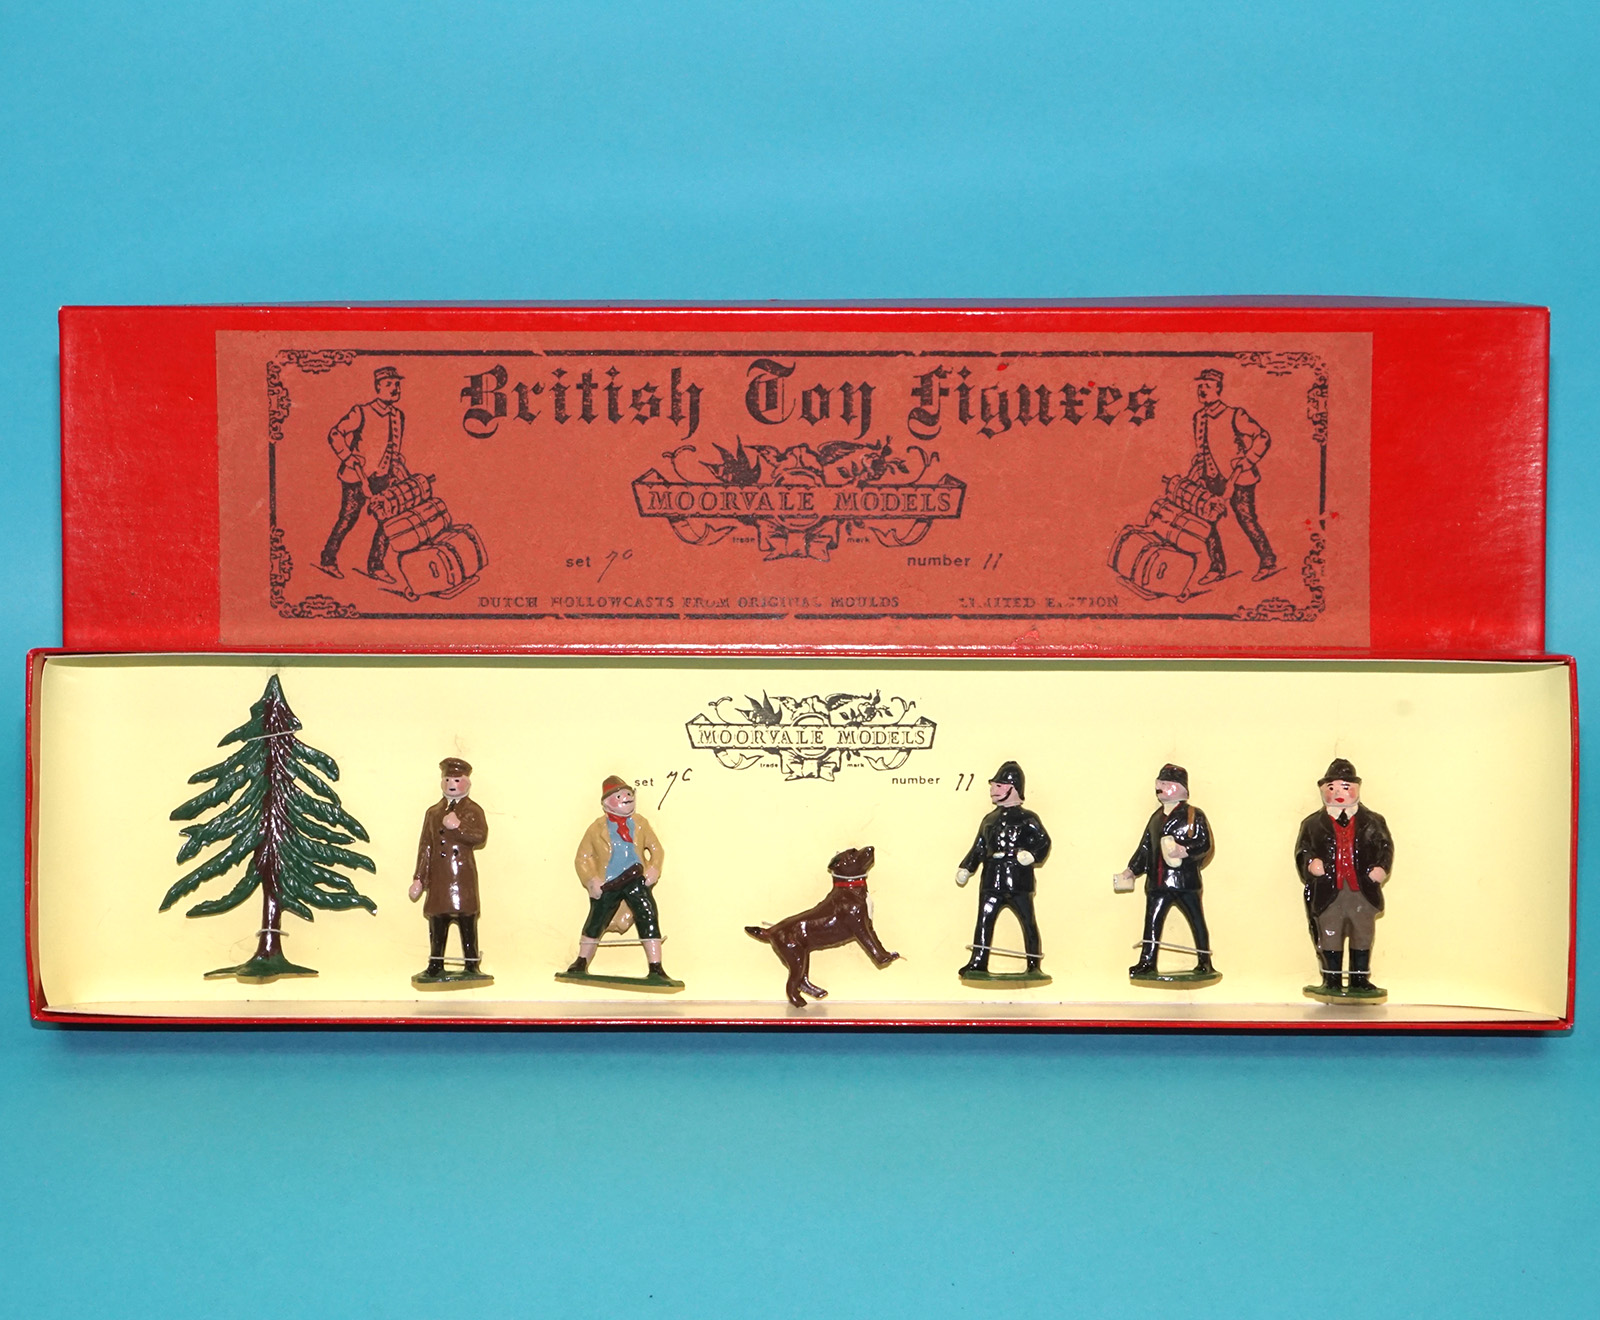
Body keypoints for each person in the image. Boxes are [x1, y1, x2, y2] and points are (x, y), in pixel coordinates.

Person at [1294, 758, 1394, 1002]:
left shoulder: (1374, 821)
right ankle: (1332, 979)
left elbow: (1385, 846)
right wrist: (1310, 863)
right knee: (1330, 932)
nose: (1339, 793)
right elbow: (1302, 850)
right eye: (1332, 788)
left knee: (1362, 932)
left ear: (1357, 789)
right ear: (1323, 790)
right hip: (1329, 892)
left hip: (1362, 891)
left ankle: (1360, 979)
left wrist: (1381, 867)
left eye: (1345, 787)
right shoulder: (1312, 824)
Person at [1113, 763, 1217, 982]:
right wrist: (1131, 870)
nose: (1159, 787)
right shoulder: (1155, 818)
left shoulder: (1194, 815)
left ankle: (1205, 962)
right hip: (1158, 883)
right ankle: (1147, 962)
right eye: (1159, 782)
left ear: (1180, 787)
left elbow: (1205, 843)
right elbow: (1145, 848)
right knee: (1152, 922)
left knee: (1197, 921)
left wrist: (1184, 850)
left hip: (1185, 883)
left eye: (1165, 783)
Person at [566, 775, 673, 984]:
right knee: (596, 919)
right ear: (606, 803)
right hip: (609, 882)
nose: (626, 797)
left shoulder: (640, 824)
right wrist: (591, 880)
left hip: (636, 879)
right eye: (619, 795)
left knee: (648, 915)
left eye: (628, 793)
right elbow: (582, 857)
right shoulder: (596, 828)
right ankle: (581, 961)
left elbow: (656, 849)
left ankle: (656, 967)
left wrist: (654, 868)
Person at [954, 761, 1051, 980]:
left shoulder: (1028, 818)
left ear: (1013, 787)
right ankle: (978, 961)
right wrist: (967, 867)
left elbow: (1044, 841)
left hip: (1019, 881)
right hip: (992, 880)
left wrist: (1032, 855)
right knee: (984, 920)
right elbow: (979, 847)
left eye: (998, 785)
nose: (993, 790)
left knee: (1028, 922)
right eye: (993, 785)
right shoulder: (989, 819)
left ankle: (1034, 964)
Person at [318, 365, 411, 583]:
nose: (395, 388)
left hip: (384, 477)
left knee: (387, 520)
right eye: (389, 384)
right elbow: (335, 433)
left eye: (397, 384)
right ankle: (328, 559)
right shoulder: (361, 412)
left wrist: (396, 464)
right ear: (378, 387)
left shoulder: (398, 415)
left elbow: (393, 446)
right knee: (349, 517)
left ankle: (376, 566)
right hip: (356, 477)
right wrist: (347, 456)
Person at [1187, 368, 1278, 586]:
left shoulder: (1235, 414)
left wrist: (1247, 461)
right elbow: (1203, 448)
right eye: (1200, 386)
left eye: (1208, 386)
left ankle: (1268, 561)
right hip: (1210, 479)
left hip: (1239, 478)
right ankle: (1217, 568)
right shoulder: (1198, 417)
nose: (1202, 390)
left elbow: (1263, 437)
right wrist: (1197, 470)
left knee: (1246, 518)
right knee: (1207, 521)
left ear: (1218, 389)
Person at [408, 756, 490, 985]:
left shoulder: (473, 810)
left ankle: (471, 965)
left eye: (456, 779)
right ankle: (435, 964)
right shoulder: (433, 813)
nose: (451, 784)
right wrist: (419, 879)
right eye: (447, 779)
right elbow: (425, 846)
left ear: (467, 782)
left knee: (467, 919)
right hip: (439, 876)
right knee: (438, 919)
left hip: (462, 875)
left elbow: (480, 836)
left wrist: (459, 827)